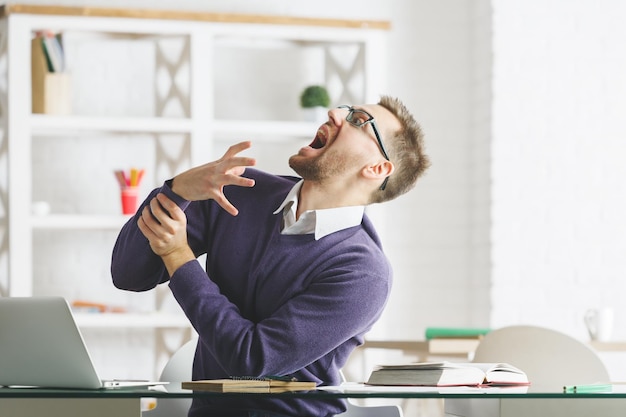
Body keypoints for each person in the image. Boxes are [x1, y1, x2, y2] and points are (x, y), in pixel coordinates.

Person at [111, 96, 430, 417]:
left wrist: (178, 255)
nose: (335, 114)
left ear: (377, 168)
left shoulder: (363, 274)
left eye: (359, 120)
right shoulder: (241, 189)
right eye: (345, 110)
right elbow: (129, 273)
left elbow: (250, 360)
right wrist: (176, 190)